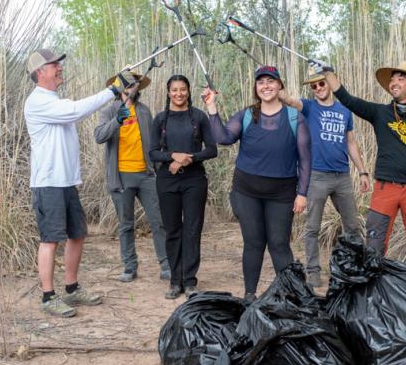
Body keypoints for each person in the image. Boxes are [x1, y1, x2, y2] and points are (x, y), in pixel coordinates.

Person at [24, 48, 134, 317]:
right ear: (41, 72)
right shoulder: (38, 101)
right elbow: (75, 111)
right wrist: (112, 90)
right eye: (54, 65)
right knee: (50, 239)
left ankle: (72, 289)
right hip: (48, 182)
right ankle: (48, 297)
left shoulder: (55, 99)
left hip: (67, 182)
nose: (60, 68)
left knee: (78, 234)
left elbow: (72, 111)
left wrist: (118, 94)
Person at [312, 60, 406, 275]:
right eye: (392, 79)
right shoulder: (379, 113)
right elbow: (347, 99)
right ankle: (371, 302)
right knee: (374, 249)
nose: (394, 82)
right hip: (385, 189)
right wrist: (328, 73)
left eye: (400, 78)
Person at [203, 65, 311, 301]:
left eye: (271, 81)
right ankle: (249, 295)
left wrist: (302, 193)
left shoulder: (295, 118)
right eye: (261, 82)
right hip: (246, 191)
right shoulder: (246, 115)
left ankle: (292, 295)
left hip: (282, 193)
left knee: (279, 244)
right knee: (253, 243)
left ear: (279, 85)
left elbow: (305, 159)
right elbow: (223, 138)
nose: (266, 86)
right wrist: (212, 107)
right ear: (255, 87)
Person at [278, 69, 370, 287]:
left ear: (329, 84)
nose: (318, 88)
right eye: (314, 86)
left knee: (353, 227)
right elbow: (288, 99)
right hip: (317, 176)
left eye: (321, 84)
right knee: (312, 228)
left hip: (343, 177)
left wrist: (363, 171)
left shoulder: (344, 110)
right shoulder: (309, 107)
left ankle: (351, 269)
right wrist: (275, 83)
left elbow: (350, 143)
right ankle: (313, 273)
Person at [94, 72, 170, 282]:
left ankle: (166, 265)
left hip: (147, 176)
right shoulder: (109, 111)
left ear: (138, 88)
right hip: (121, 177)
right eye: (126, 85)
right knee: (126, 224)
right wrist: (118, 120)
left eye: (134, 85)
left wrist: (159, 169)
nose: (130, 89)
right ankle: (129, 267)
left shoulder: (145, 112)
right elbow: (99, 136)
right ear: (119, 88)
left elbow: (155, 142)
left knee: (159, 221)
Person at [149, 74, 217, 299]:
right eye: (174, 90)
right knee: (172, 230)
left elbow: (211, 149)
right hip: (167, 181)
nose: (179, 94)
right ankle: (174, 281)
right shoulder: (160, 119)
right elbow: (152, 152)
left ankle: (190, 281)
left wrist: (189, 158)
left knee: (192, 229)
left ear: (188, 91)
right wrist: (173, 157)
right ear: (168, 93)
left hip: (194, 180)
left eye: (183, 89)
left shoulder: (199, 117)